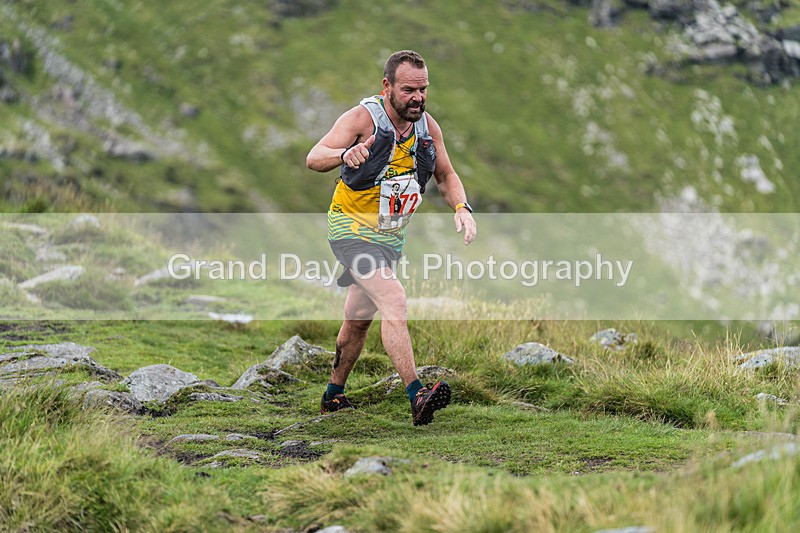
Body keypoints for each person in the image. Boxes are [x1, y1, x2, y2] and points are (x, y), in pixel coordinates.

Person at [306, 50, 476, 426]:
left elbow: (446, 175)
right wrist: (344, 154)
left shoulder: (427, 128)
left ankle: (333, 396)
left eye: (423, 89)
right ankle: (417, 395)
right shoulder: (362, 119)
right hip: (350, 229)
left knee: (358, 319)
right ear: (387, 87)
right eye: (408, 90)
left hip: (389, 238)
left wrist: (461, 208)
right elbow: (314, 157)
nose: (418, 98)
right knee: (394, 299)